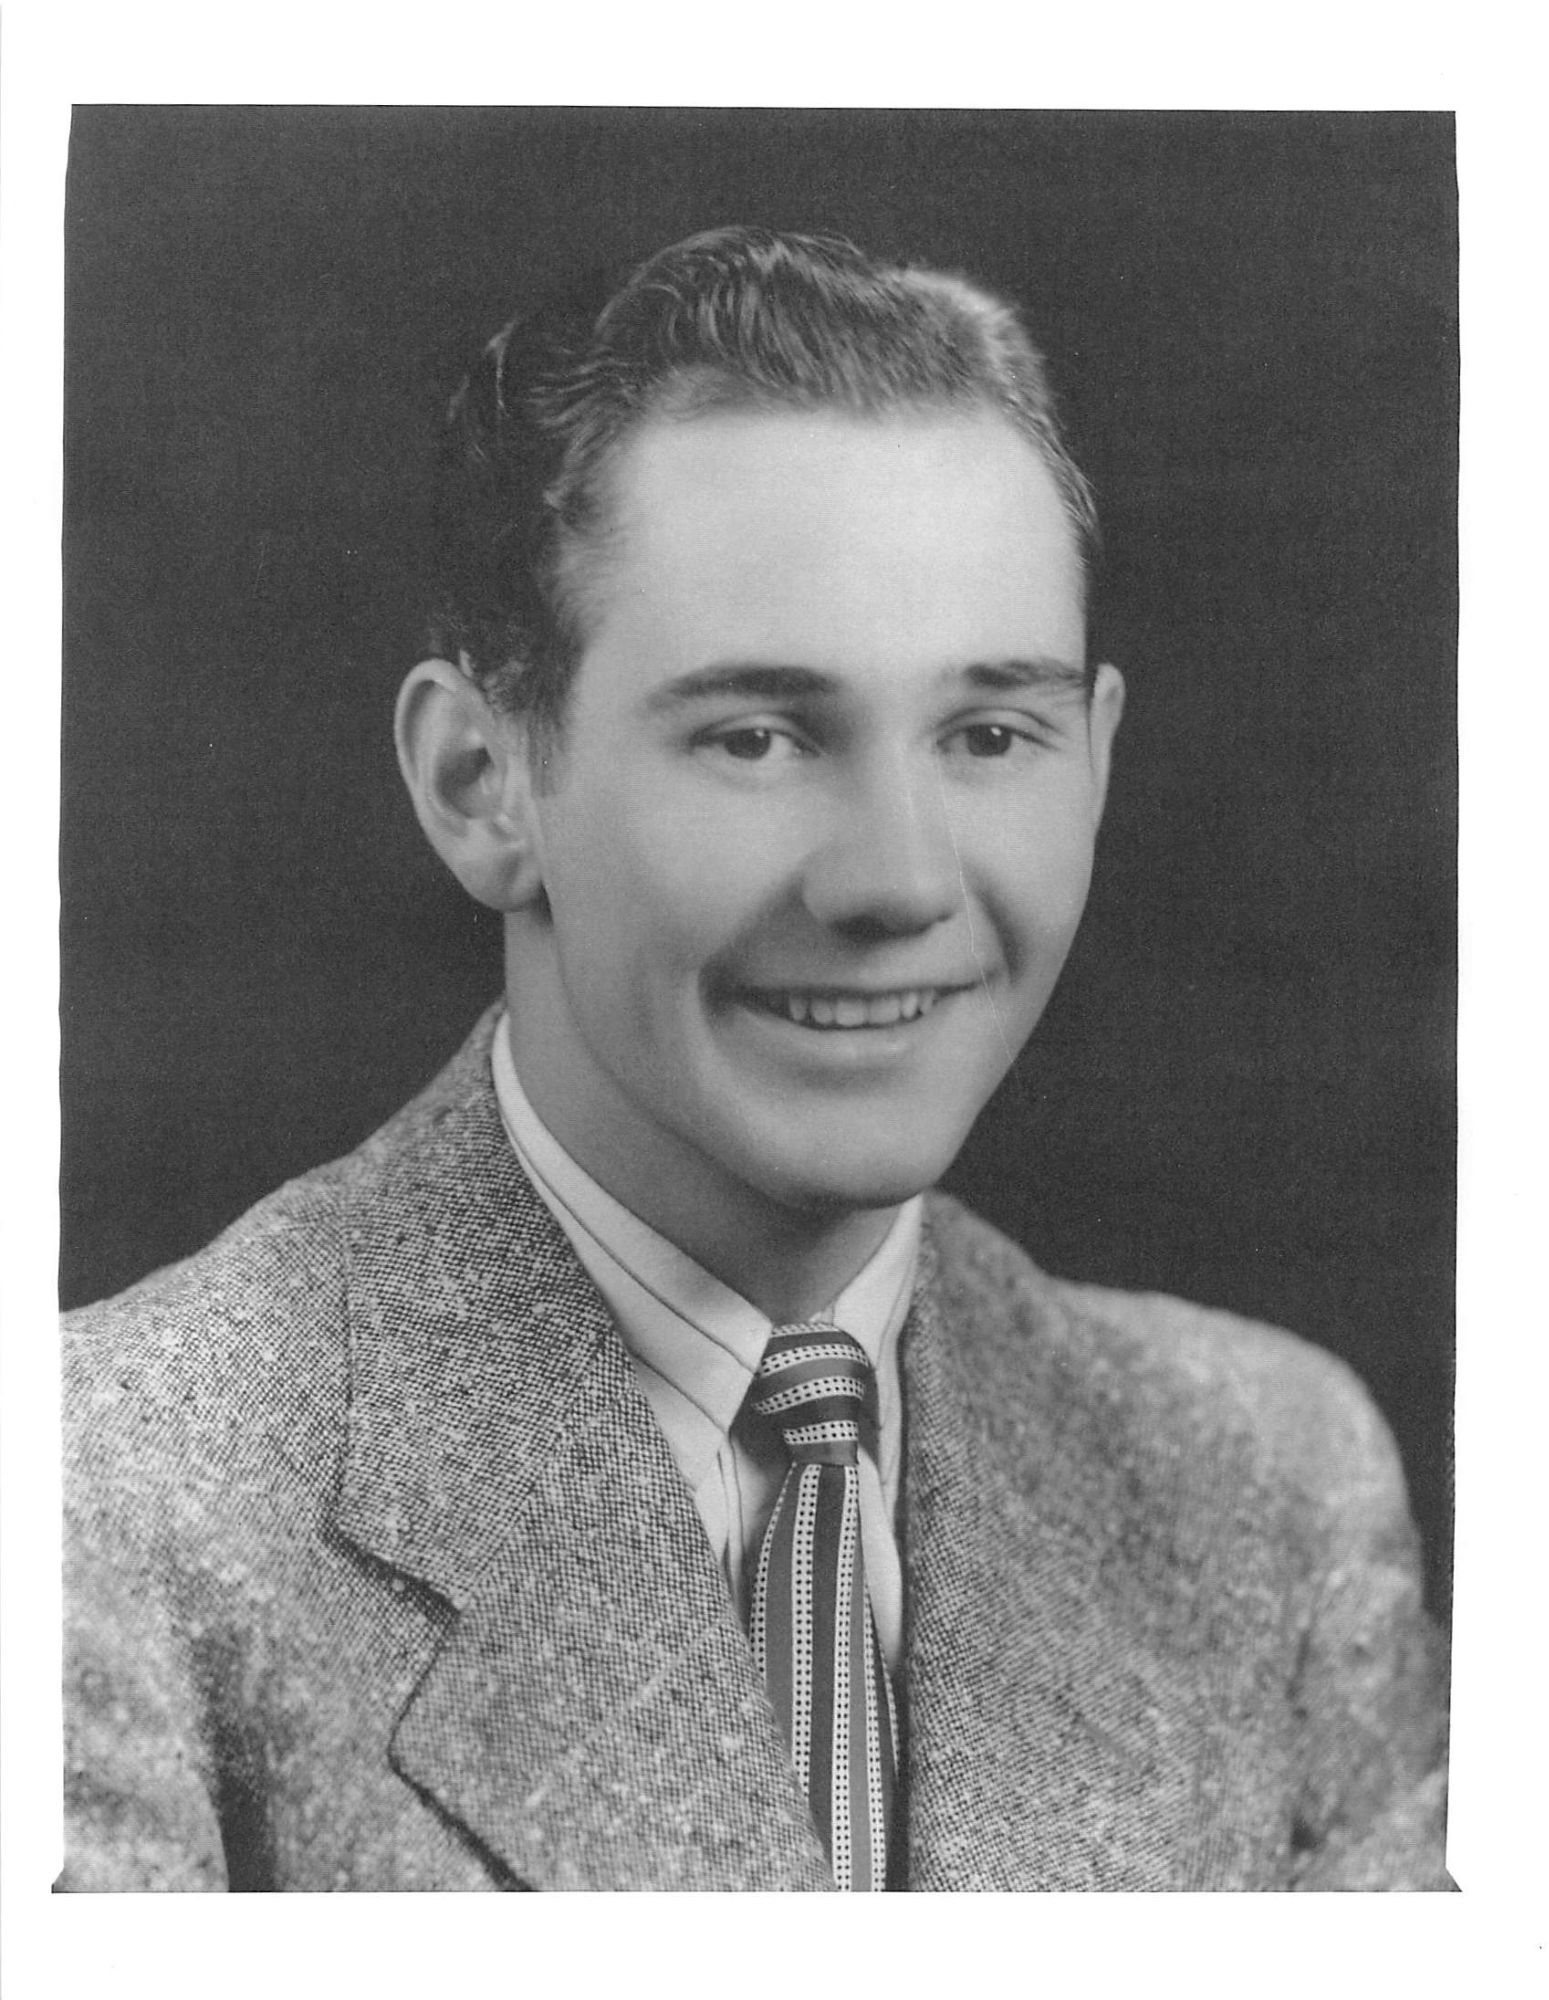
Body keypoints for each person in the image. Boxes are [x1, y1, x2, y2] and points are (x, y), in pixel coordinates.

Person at [59, 225, 1451, 1892]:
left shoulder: (1268, 1483)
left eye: (988, 734)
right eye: (758, 736)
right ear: (481, 784)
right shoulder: (106, 1504)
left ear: (1092, 762)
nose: (901, 882)